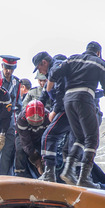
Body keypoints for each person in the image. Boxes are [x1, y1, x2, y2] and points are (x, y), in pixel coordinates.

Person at [48, 41, 105, 188]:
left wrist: (49, 88)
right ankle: (84, 177)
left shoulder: (72, 58)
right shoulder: (100, 63)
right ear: (98, 52)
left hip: (68, 100)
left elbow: (54, 73)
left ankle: (69, 170)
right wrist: (100, 93)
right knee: (92, 138)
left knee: (79, 137)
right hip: (84, 98)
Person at [31, 51, 70, 182]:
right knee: (70, 146)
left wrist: (55, 110)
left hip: (67, 108)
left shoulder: (55, 69)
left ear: (44, 63)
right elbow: (44, 95)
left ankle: (49, 174)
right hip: (71, 108)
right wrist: (35, 107)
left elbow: (61, 90)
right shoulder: (50, 74)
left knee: (48, 136)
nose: (40, 72)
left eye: (39, 68)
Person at [0, 55, 22, 176]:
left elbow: (19, 104)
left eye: (12, 69)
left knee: (7, 153)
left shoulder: (16, 82)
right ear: (2, 66)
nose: (9, 71)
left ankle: (3, 179)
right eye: (7, 68)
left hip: (10, 121)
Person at [14, 99, 50, 179]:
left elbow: (49, 139)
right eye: (32, 120)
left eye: (38, 121)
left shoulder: (49, 117)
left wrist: (43, 160)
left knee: (47, 153)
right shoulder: (21, 119)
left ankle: (47, 173)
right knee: (20, 151)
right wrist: (36, 160)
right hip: (24, 136)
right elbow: (25, 142)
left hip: (41, 137)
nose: (35, 122)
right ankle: (20, 174)